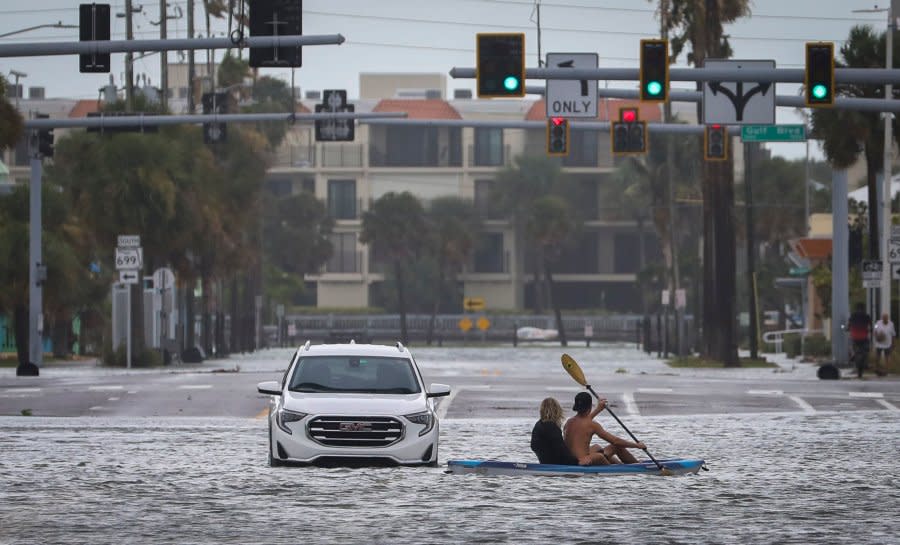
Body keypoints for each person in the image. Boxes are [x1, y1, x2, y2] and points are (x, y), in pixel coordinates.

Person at [564, 392, 646, 465]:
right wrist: (637, 445)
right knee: (616, 447)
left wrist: (598, 410)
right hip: (583, 462)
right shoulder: (592, 425)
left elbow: (584, 423)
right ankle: (636, 467)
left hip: (571, 460)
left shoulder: (569, 422)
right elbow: (616, 441)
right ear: (589, 407)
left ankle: (621, 465)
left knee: (597, 447)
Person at [530, 397, 579, 465]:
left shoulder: (538, 424)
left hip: (544, 462)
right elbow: (562, 450)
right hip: (557, 464)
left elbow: (533, 446)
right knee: (596, 451)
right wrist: (577, 462)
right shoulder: (551, 427)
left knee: (595, 448)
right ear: (556, 410)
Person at [848, 303, 872, 377]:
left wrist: (847, 328)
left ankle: (853, 355)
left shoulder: (853, 315)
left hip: (855, 336)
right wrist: (871, 329)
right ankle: (866, 362)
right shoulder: (866, 316)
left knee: (852, 345)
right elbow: (870, 325)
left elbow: (849, 324)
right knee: (867, 348)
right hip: (864, 336)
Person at [872, 312, 895, 377]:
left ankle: (886, 370)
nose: (884, 319)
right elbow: (875, 330)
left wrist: (893, 344)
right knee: (877, 357)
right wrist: (877, 336)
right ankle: (877, 369)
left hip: (888, 344)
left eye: (886, 318)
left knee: (887, 357)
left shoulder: (891, 324)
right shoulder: (878, 323)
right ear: (882, 318)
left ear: (888, 318)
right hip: (879, 344)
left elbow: (893, 334)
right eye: (883, 318)